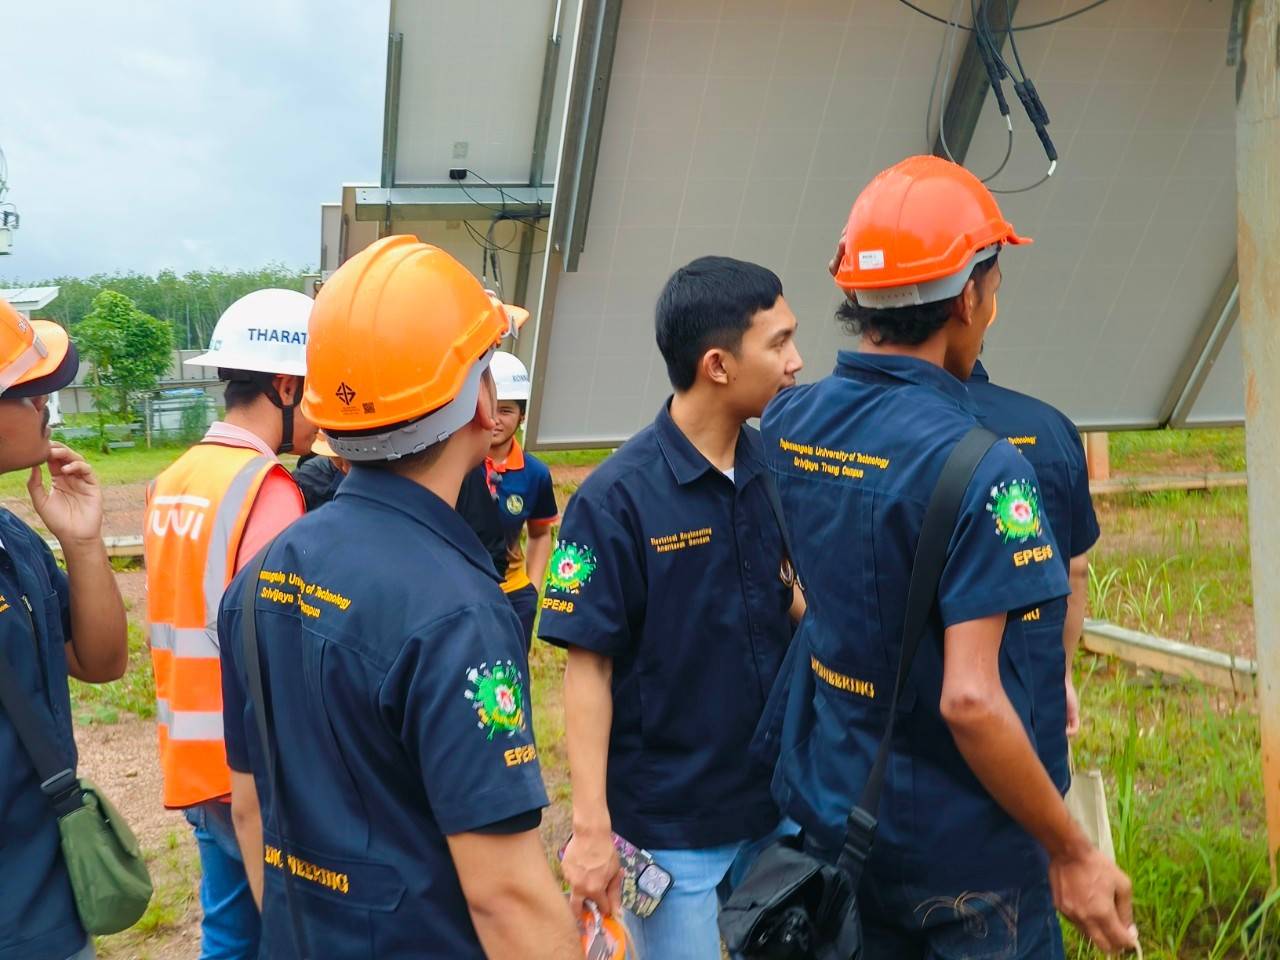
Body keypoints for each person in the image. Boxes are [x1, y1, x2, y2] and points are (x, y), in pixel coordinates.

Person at [765, 155, 1136, 958]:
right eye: (994, 291)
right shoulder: (984, 464)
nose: (991, 308)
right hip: (971, 861)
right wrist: (1072, 851)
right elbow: (971, 699)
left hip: (839, 818)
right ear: (968, 297)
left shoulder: (789, 424)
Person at [216, 235, 579, 958]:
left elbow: (250, 805)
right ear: (480, 400)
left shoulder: (261, 573)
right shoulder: (459, 612)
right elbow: (505, 895)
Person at [539, 256, 805, 959]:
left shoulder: (776, 470)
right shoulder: (613, 500)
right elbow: (586, 670)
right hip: (670, 840)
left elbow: (795, 609)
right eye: (778, 343)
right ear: (718, 364)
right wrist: (592, 829)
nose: (796, 362)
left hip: (778, 815)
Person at [143, 288, 316, 960]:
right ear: (284, 385)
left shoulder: (174, 479)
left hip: (190, 752)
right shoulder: (267, 491)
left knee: (226, 930)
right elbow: (283, 643)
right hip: (249, 762)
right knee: (279, 933)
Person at [0, 303, 128, 960]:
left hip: (45, 900)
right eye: (29, 390)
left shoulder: (13, 537)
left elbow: (100, 661)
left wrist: (82, 541)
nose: (48, 403)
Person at [966, 357, 1099, 793]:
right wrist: (1058, 674)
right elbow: (1074, 570)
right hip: (1032, 713)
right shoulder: (1052, 428)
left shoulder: (870, 431)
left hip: (917, 753)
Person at [487, 350, 558, 647]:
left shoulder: (536, 474)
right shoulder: (457, 463)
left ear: (522, 415)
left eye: (506, 411)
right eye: (490, 408)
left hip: (513, 595)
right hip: (461, 592)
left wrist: (532, 587)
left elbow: (541, 534)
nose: (495, 420)